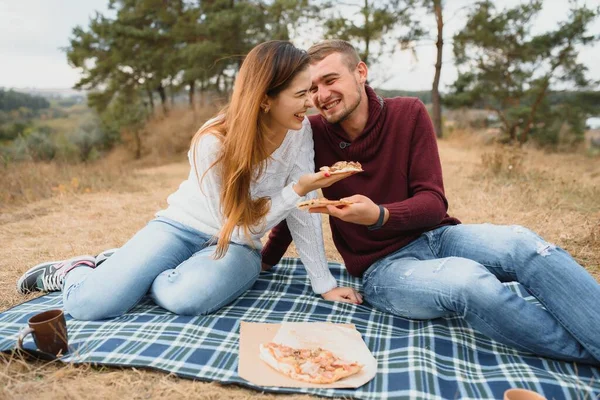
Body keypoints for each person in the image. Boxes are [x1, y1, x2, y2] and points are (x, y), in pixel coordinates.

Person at [261, 40, 600, 366]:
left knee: (524, 244)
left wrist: (379, 215)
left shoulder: (408, 113)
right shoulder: (311, 132)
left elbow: (434, 202)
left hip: (438, 236)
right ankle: (589, 351)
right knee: (468, 281)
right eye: (313, 87)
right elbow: (300, 199)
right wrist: (265, 260)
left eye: (331, 80)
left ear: (360, 72)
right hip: (383, 269)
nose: (321, 95)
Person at [16, 41, 362, 320]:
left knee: (187, 298)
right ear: (265, 100)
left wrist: (323, 283)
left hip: (240, 247)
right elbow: (235, 222)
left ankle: (131, 271)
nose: (311, 104)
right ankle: (78, 270)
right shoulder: (213, 140)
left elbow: (299, 213)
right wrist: (297, 188)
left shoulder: (298, 133)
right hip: (184, 227)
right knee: (90, 306)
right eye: (301, 94)